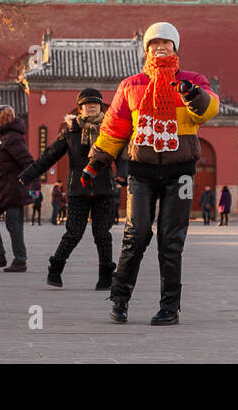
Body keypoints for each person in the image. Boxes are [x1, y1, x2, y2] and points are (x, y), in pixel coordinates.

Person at [80, 22, 219, 325]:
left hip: (180, 173)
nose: (159, 48)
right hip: (141, 172)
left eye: (166, 43)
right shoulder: (130, 85)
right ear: (145, 50)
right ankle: (119, 298)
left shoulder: (192, 80)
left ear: (175, 48)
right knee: (136, 234)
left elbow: (208, 110)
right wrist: (95, 161)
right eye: (153, 43)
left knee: (171, 239)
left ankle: (170, 306)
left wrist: (191, 94)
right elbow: (115, 128)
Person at [18, 88, 126, 289]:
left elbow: (122, 155)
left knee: (102, 234)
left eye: (96, 104)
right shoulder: (70, 131)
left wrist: (123, 173)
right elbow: (49, 156)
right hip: (78, 190)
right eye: (88, 104)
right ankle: (55, 269)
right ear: (80, 108)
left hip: (105, 188)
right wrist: (28, 175)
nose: (92, 107)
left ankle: (105, 276)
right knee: (73, 233)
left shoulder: (110, 130)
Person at [0, 104, 35, 273]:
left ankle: (20, 260)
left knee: (13, 224)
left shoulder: (12, 138)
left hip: (13, 190)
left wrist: (27, 183)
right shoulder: (3, 137)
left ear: (0, 119)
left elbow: (28, 162)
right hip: (1, 190)